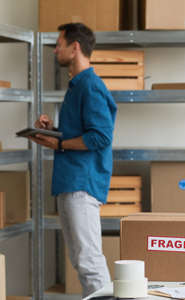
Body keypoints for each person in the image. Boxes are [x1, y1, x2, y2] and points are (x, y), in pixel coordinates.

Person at [29, 23, 117, 297]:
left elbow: (101, 137)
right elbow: (80, 135)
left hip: (82, 185)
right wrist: (51, 132)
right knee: (82, 261)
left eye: (59, 44)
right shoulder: (77, 86)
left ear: (75, 47)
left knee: (89, 261)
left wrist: (60, 142)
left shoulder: (89, 86)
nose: (55, 49)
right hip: (71, 183)